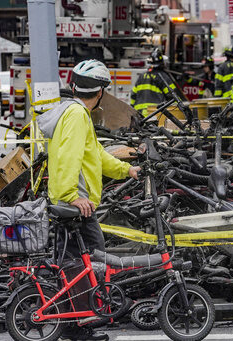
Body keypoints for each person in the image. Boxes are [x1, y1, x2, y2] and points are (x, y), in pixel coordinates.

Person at [37, 59, 140, 341]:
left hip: (76, 203)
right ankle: (79, 324)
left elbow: (95, 154)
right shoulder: (77, 115)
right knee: (85, 262)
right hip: (76, 205)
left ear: (73, 86)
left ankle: (79, 320)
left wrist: (126, 170)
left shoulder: (73, 111)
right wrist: (72, 196)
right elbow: (70, 157)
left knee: (81, 262)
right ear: (100, 93)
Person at [130, 47, 179, 116]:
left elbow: (133, 95)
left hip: (139, 113)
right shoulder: (163, 76)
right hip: (155, 112)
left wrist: (132, 108)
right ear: (161, 63)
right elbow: (173, 95)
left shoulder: (142, 76)